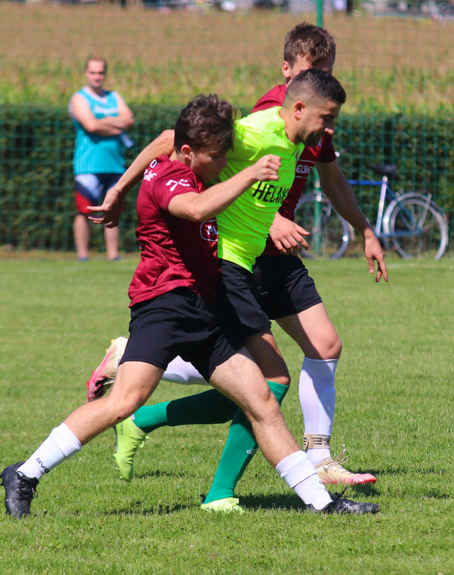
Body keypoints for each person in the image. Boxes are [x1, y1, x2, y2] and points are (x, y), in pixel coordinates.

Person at [0, 93, 378, 519]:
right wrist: (251, 174)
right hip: (164, 304)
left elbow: (196, 171)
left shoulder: (201, 171)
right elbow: (196, 211)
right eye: (216, 157)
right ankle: (25, 473)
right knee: (125, 401)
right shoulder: (167, 178)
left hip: (205, 306)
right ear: (186, 151)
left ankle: (322, 504)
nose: (222, 165)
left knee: (263, 401)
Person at [88, 25, 388, 508]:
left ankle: (315, 456)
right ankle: (219, 480)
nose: (321, 83)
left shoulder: (317, 121)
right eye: (312, 72)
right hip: (234, 259)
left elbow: (330, 179)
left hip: (270, 259)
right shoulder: (270, 116)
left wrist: (365, 229)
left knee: (316, 349)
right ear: (289, 74)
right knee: (261, 380)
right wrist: (120, 191)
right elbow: (179, 143)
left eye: (327, 72)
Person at [69, 56, 134, 261]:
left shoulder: (114, 96)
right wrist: (116, 126)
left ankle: (113, 255)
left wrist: (104, 121)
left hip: (115, 164)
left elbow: (129, 119)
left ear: (105, 74)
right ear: (86, 73)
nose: (97, 76)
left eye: (100, 73)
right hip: (87, 165)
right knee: (84, 210)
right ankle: (82, 255)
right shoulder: (79, 98)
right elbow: (91, 126)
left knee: (113, 210)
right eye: (93, 72)